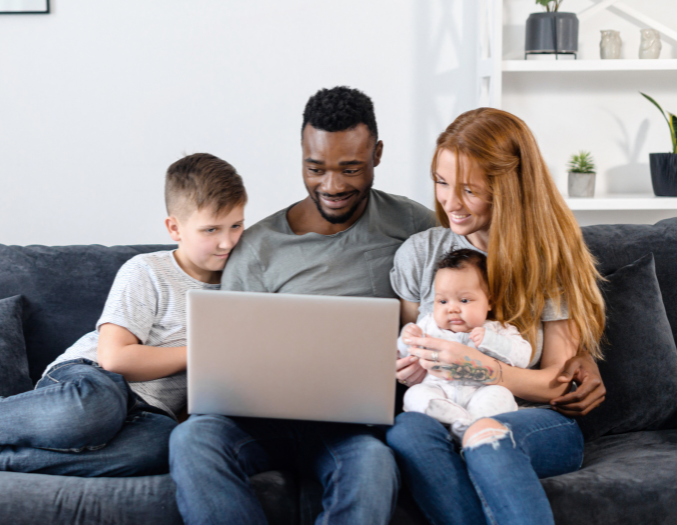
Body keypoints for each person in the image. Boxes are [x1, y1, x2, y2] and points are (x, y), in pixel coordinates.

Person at [0, 153, 247, 476]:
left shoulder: (241, 285)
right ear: (174, 228)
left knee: (161, 447)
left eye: (236, 225)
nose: (228, 241)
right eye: (211, 230)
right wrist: (201, 352)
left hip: (150, 412)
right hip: (91, 380)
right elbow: (114, 358)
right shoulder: (147, 271)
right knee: (99, 408)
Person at [168, 86, 436, 525]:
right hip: (259, 420)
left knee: (373, 467)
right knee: (191, 439)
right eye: (315, 168)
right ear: (301, 156)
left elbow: (463, 293)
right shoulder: (257, 246)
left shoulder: (412, 225)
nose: (331, 186)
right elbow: (230, 354)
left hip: (352, 426)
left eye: (350, 168)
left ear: (378, 154)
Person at [388, 107, 607, 525]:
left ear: (509, 188)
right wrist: (407, 368)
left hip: (532, 419)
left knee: (482, 431)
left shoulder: (548, 261)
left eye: (469, 189)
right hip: (442, 407)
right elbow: (409, 347)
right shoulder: (421, 254)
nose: (451, 202)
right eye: (441, 182)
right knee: (407, 433)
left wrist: (484, 368)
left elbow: (555, 386)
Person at [398, 248, 530, 438]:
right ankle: (455, 420)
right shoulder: (428, 326)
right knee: (415, 394)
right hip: (439, 389)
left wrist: (491, 341)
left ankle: (473, 426)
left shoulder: (497, 329)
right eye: (442, 301)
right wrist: (406, 337)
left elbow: (523, 357)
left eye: (464, 300)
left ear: (489, 302)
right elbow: (404, 353)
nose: (452, 309)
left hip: (481, 391)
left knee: (501, 395)